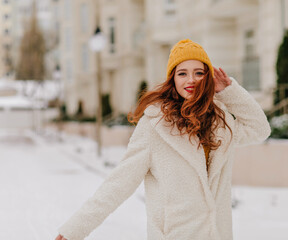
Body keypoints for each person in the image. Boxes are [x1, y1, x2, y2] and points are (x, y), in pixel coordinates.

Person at [55, 39, 271, 240]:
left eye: (198, 72)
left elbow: (260, 128)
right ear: (173, 79)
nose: (191, 80)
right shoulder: (155, 126)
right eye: (182, 73)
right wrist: (74, 231)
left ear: (208, 77)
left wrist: (229, 92)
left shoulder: (220, 123)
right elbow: (119, 183)